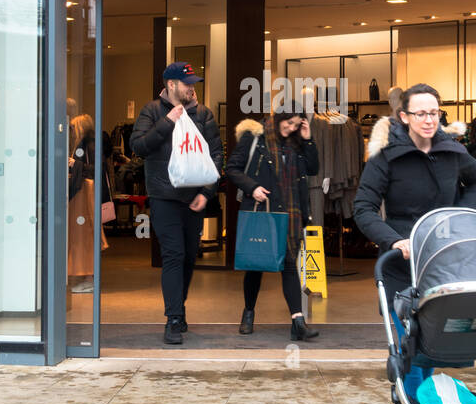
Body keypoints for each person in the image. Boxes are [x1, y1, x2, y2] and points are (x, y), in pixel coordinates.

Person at [354, 83, 476, 386]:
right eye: (421, 114)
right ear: (404, 116)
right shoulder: (386, 156)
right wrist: (393, 240)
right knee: (410, 346)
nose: (429, 120)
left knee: (433, 345)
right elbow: (363, 207)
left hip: (443, 261)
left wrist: (459, 217)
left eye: (434, 113)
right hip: (402, 263)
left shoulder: (452, 151)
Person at [130, 62, 223, 345]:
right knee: (173, 255)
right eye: (187, 84)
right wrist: (168, 121)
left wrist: (207, 192)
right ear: (171, 85)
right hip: (164, 196)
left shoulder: (203, 114)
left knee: (188, 257)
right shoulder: (152, 111)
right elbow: (139, 146)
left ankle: (178, 309)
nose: (192, 88)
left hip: (194, 197)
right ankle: (173, 318)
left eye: (194, 83)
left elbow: (216, 154)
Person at [227, 103, 320, 340]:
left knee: (290, 266)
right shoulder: (256, 136)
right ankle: (248, 313)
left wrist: (308, 139)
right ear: (278, 118)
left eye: (296, 125)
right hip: (264, 210)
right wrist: (252, 187)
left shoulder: (298, 142)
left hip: (291, 212)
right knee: (256, 267)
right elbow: (233, 168)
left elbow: (312, 168)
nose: (291, 129)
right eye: (288, 123)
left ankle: (297, 321)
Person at [68, 113, 108, 293]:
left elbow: (94, 170)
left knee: (85, 234)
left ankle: (89, 277)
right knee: (86, 233)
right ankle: (88, 277)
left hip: (86, 192)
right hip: (86, 191)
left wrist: (73, 164)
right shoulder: (92, 144)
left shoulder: (87, 145)